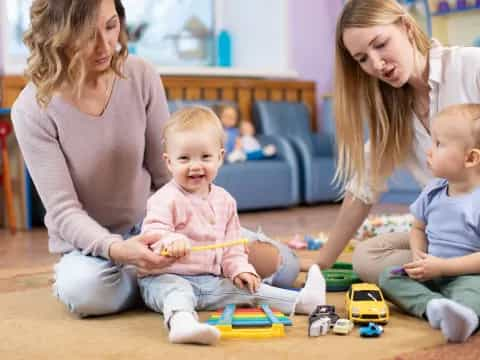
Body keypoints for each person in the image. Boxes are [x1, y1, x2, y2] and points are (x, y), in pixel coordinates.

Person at [11, 0, 298, 318]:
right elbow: (64, 212)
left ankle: (164, 280)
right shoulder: (31, 109)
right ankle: (172, 279)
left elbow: (166, 174)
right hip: (91, 247)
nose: (106, 46)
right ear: (57, 35)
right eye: (87, 34)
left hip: (161, 228)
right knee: (88, 292)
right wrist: (120, 250)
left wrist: (194, 228)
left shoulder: (140, 74)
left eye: (111, 26)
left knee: (282, 265)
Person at [304, 0, 480, 283]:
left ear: (407, 27)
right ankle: (456, 271)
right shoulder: (394, 115)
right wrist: (322, 262)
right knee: (367, 256)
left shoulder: (470, 66)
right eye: (361, 58)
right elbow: (361, 192)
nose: (375, 64)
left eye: (381, 43)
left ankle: (457, 274)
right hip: (451, 233)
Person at [137, 106, 325, 345]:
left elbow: (233, 248)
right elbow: (153, 234)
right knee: (177, 293)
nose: (195, 166)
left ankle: (303, 302)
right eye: (184, 158)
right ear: (169, 162)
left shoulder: (225, 200)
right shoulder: (164, 199)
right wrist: (169, 240)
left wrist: (240, 269)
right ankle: (182, 324)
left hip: (210, 281)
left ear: (220, 157)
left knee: (248, 291)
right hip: (165, 278)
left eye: (205, 157)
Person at [379, 104, 480, 343]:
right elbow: (418, 228)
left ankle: (463, 319)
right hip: (431, 272)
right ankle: (432, 307)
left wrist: (445, 267)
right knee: (388, 277)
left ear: (470, 158)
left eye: (439, 144)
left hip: (468, 275)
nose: (428, 151)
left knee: (475, 292)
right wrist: (418, 257)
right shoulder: (433, 191)